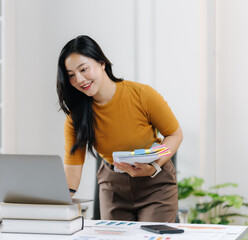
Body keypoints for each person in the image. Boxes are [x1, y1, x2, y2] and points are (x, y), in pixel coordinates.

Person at [56, 35, 183, 222]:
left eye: (83, 69)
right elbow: (73, 168)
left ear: (101, 63)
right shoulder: (76, 116)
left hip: (155, 183)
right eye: (71, 75)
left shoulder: (142, 95)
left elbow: (174, 134)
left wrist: (154, 166)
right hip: (114, 187)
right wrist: (56, 204)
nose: (80, 79)